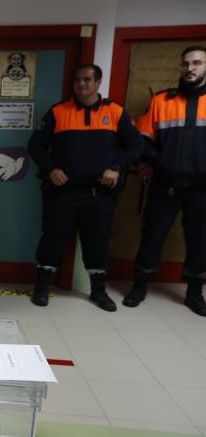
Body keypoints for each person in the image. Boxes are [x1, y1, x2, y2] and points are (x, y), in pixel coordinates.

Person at [27, 64, 143, 311]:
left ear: (98, 83)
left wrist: (117, 167)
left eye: (87, 80)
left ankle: (98, 291)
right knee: (52, 239)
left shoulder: (115, 112)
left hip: (99, 193)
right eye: (78, 80)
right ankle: (41, 286)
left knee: (98, 242)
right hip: (62, 192)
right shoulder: (59, 112)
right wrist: (50, 169)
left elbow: (136, 146)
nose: (82, 84)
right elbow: (36, 145)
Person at [124, 46, 206, 317]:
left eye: (196, 63)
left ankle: (194, 293)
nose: (190, 68)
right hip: (165, 184)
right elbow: (143, 141)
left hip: (201, 188)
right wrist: (161, 164)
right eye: (185, 64)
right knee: (152, 236)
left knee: (200, 240)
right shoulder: (162, 101)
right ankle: (139, 286)